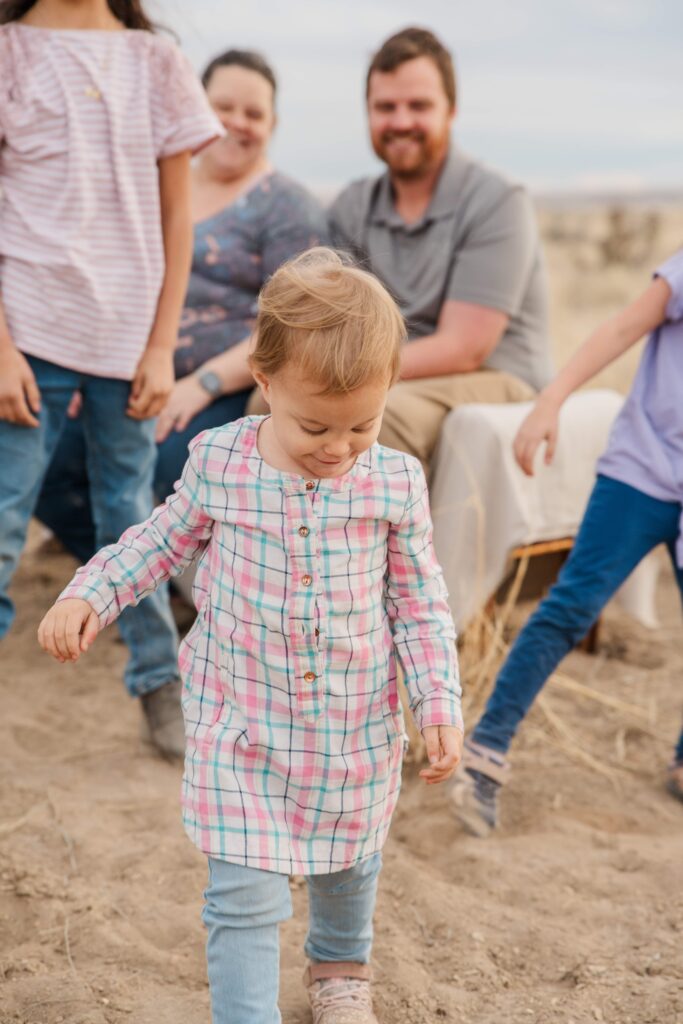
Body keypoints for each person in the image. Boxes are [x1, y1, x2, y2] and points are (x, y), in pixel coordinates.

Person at [37, 248, 464, 1024]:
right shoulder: (221, 463)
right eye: (314, 425)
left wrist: (436, 700)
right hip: (240, 721)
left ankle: (338, 970)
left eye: (361, 425)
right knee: (240, 892)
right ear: (264, 381)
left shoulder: (393, 482)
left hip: (350, 722)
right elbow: (158, 541)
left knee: (348, 862)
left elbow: (418, 601)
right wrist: (91, 592)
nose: (337, 447)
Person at [0, 0, 221, 757]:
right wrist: (1, 346)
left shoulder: (156, 62)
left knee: (130, 521)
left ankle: (160, 682)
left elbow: (177, 218)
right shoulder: (9, 53)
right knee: (3, 516)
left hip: (127, 346)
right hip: (26, 338)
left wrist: (160, 346)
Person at [34, 47, 328, 560]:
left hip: (225, 386)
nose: (237, 122)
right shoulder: (152, 187)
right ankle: (137, 576)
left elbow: (295, 326)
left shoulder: (288, 206)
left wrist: (200, 385)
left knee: (175, 460)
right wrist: (85, 366)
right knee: (48, 460)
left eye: (253, 113)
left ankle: (198, 581)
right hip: (128, 372)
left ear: (273, 124)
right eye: (223, 107)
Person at [450, 248, 683, 838]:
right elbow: (622, 328)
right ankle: (485, 754)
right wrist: (550, 401)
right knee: (571, 605)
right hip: (642, 470)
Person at [329, 27, 552, 474]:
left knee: (380, 420)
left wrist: (345, 376)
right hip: (387, 373)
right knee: (271, 407)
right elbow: (335, 319)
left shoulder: (496, 200)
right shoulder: (351, 206)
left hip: (495, 376)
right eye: (385, 107)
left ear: (451, 111)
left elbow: (465, 347)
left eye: (419, 105)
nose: (401, 121)